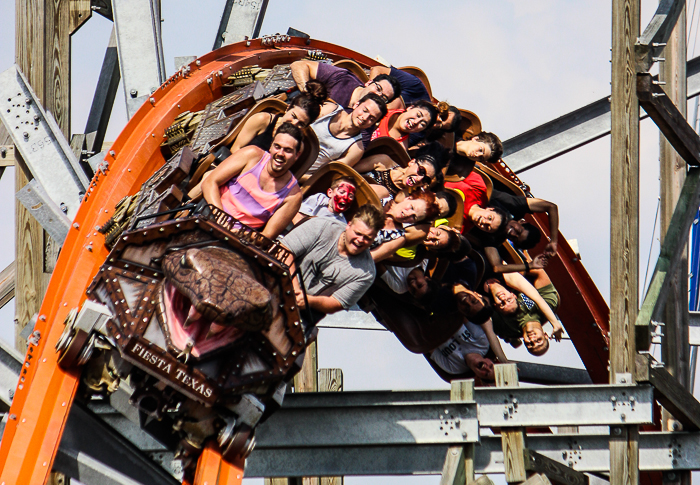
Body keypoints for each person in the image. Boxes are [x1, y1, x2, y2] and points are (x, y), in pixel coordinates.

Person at [201, 123, 303, 239]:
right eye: (277, 147)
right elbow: (210, 182)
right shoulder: (252, 155)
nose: (280, 153)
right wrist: (221, 219)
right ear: (271, 146)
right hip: (212, 213)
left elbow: (266, 236)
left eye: (288, 150)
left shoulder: (293, 196)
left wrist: (238, 233)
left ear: (297, 155)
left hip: (239, 237)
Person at [282, 204, 385, 316]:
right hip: (278, 280)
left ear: (374, 239)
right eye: (358, 233)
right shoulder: (322, 226)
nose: (360, 240)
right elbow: (284, 250)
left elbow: (337, 303)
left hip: (305, 312)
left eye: (367, 238)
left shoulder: (366, 273)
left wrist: (308, 300)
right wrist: (294, 289)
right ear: (348, 225)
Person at [230, 80, 328, 153]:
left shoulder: (297, 144)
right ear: (287, 109)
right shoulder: (262, 120)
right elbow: (235, 149)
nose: (294, 124)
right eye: (294, 116)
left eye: (301, 124)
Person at [485, 269, 562, 356]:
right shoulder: (549, 306)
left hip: (486, 285)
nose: (532, 339)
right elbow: (539, 273)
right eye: (538, 340)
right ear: (545, 335)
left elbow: (484, 306)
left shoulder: (508, 330)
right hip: (511, 269)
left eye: (530, 344)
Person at [307, 93, 387, 176]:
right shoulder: (330, 110)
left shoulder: (356, 149)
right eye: (365, 110)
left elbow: (326, 175)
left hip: (301, 174)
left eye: (372, 118)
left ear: (372, 125)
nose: (365, 117)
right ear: (356, 105)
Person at [291, 59, 402, 109]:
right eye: (378, 88)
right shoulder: (342, 78)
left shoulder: (366, 119)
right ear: (369, 82)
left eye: (384, 97)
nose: (377, 95)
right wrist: (308, 94)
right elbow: (299, 65)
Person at [357, 142, 447, 199]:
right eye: (421, 171)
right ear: (412, 162)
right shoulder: (383, 162)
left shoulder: (405, 199)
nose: (419, 179)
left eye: (426, 179)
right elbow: (349, 169)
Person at [371, 191, 440, 262]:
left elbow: (371, 258)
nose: (408, 214)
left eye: (414, 217)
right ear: (408, 199)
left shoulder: (398, 238)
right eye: (412, 207)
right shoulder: (383, 194)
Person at [445, 171, 511, 234]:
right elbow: (457, 168)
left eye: (487, 227)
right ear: (490, 209)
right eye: (490, 218)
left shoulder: (458, 228)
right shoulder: (479, 190)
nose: (484, 222)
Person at [370, 101, 438, 149]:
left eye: (422, 124)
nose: (416, 122)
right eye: (418, 115)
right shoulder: (392, 105)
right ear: (410, 108)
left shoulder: (400, 147)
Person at [292, 176, 357, 225]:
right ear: (330, 193)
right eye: (342, 192)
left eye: (350, 196)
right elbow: (297, 214)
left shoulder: (341, 223)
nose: (345, 197)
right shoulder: (319, 199)